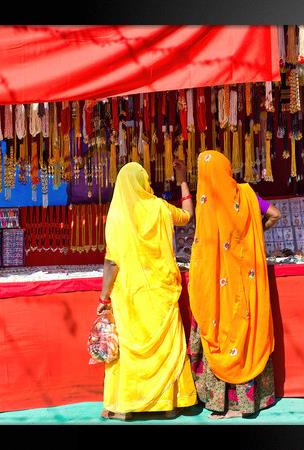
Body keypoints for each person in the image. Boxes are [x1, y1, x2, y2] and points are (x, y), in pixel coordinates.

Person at [97, 160, 197, 420]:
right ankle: (169, 404)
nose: (150, 185)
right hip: (162, 291)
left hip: (130, 295)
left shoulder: (116, 217)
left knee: (131, 348)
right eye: (147, 181)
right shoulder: (159, 208)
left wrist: (103, 297)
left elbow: (111, 261)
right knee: (166, 346)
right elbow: (187, 216)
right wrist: (182, 179)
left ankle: (129, 404)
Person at [187, 150, 280, 419]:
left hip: (217, 287)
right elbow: (276, 214)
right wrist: (253, 234)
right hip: (246, 283)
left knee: (221, 332)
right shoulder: (247, 194)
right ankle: (247, 404)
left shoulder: (206, 201)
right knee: (244, 332)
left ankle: (224, 405)